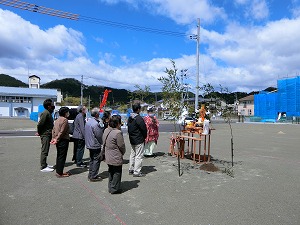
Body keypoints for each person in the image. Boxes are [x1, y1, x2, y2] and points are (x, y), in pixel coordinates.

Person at [103, 115, 126, 194]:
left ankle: (111, 186)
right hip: (115, 155)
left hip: (108, 154)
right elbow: (121, 146)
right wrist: (123, 152)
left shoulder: (106, 130)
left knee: (111, 171)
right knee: (117, 172)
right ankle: (115, 188)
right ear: (118, 123)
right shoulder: (117, 133)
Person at [127, 103, 147, 177]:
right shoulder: (139, 118)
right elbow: (144, 129)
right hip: (139, 139)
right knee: (138, 156)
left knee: (132, 154)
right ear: (138, 109)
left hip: (132, 138)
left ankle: (131, 169)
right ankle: (137, 171)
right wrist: (144, 137)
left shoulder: (130, 117)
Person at [85, 108, 104, 182]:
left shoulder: (88, 121)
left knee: (92, 159)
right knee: (96, 159)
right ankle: (93, 176)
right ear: (96, 114)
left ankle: (90, 174)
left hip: (89, 143)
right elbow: (99, 135)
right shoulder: (96, 123)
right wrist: (102, 142)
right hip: (95, 143)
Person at [50, 107, 70, 178]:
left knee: (59, 156)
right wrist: (57, 139)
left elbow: (53, 130)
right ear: (65, 113)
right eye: (67, 112)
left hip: (57, 140)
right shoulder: (65, 120)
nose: (68, 113)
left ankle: (59, 171)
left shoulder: (57, 119)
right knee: (62, 156)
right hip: (63, 140)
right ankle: (59, 173)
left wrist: (53, 138)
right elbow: (62, 131)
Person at [37, 98, 55, 172]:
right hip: (45, 134)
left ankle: (45, 163)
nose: (53, 106)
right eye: (52, 105)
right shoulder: (45, 113)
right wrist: (39, 132)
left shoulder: (48, 113)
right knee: (44, 150)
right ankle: (43, 166)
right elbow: (40, 124)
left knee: (46, 149)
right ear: (48, 106)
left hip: (47, 134)